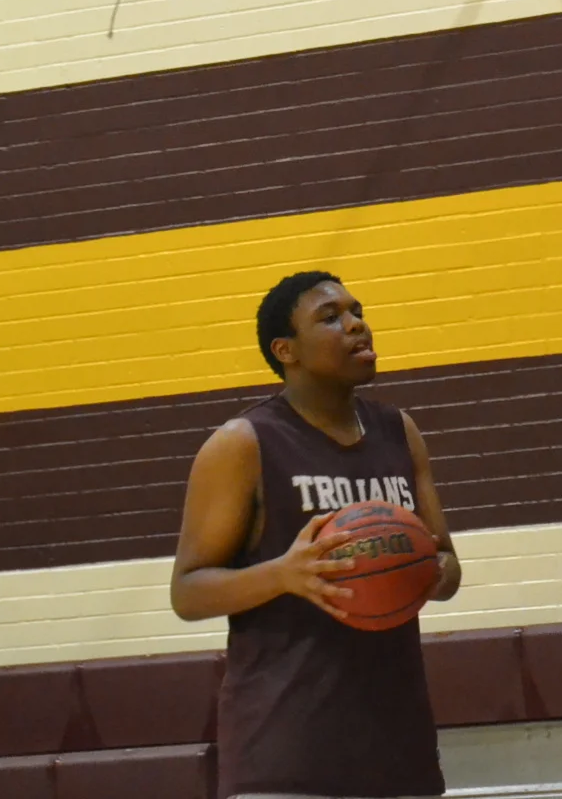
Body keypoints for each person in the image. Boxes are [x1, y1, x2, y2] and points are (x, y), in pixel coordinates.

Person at [170, 270, 462, 799]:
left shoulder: (399, 431)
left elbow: (447, 567)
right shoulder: (243, 444)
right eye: (330, 318)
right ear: (287, 350)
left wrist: (418, 565)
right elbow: (188, 592)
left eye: (358, 312)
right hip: (285, 753)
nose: (356, 326)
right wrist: (283, 575)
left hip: (398, 749)